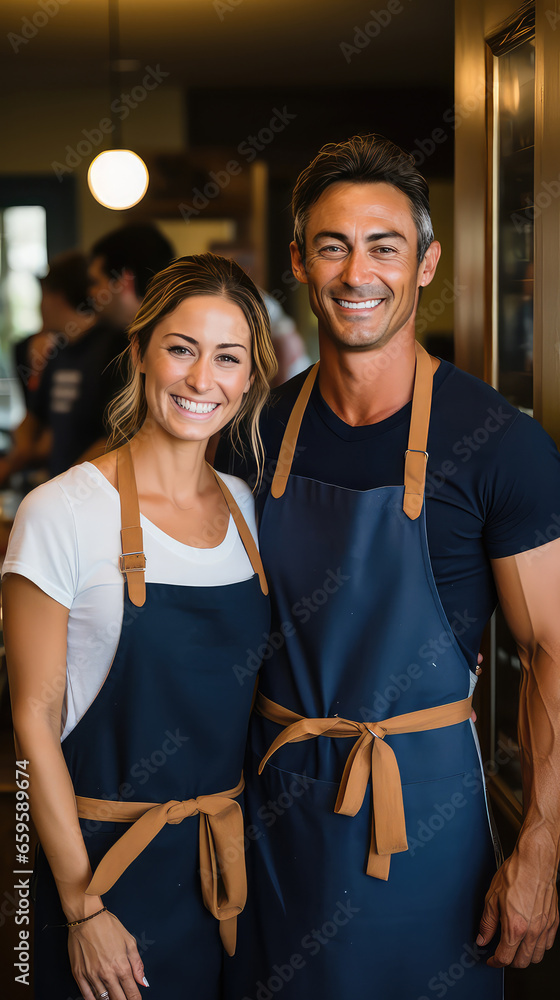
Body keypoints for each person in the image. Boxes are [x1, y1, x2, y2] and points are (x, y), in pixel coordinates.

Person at [216, 135, 560, 998]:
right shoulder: (250, 434)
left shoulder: (501, 446)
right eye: (332, 246)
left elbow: (554, 653)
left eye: (384, 246)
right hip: (273, 819)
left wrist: (542, 849)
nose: (356, 272)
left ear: (427, 263)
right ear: (299, 261)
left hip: (427, 826)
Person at [3, 253, 277, 1000]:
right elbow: (33, 717)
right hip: (99, 870)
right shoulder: (62, 513)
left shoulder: (251, 512)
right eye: (181, 349)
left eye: (227, 358)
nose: (200, 380)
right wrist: (80, 904)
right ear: (141, 352)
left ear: (249, 377)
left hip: (225, 869)